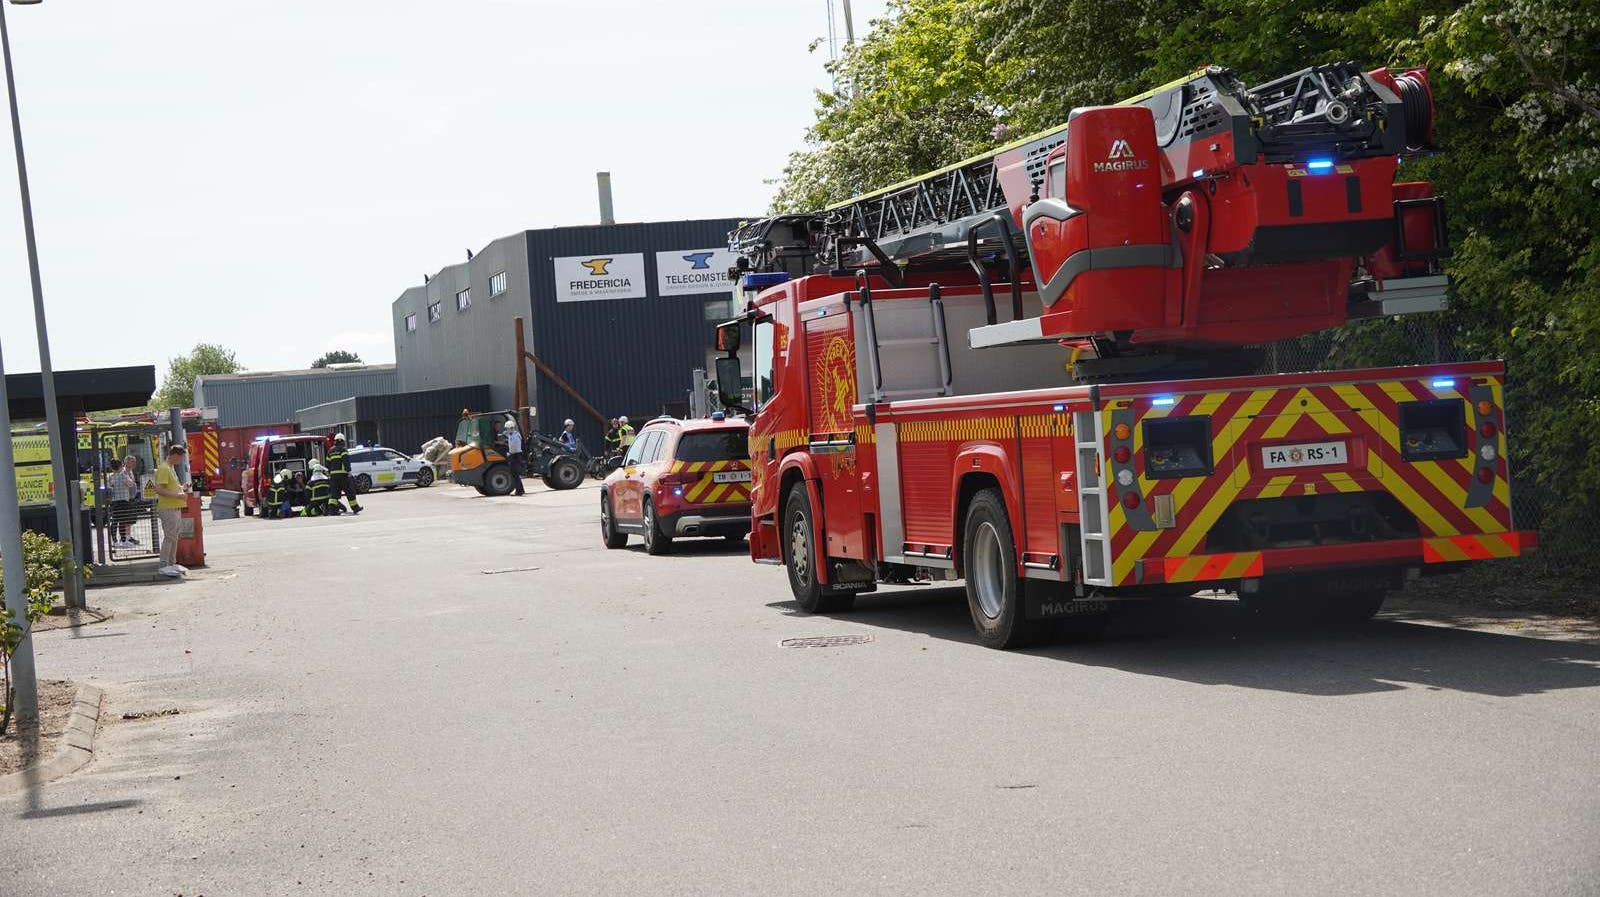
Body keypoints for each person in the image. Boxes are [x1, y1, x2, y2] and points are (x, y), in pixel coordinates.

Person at [152, 444, 190, 578]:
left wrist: (182, 488)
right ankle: (164, 565)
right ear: (175, 455)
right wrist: (178, 495)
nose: (181, 461)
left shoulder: (170, 468)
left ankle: (171, 563)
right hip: (168, 508)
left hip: (174, 508)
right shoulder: (164, 468)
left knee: (174, 537)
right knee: (170, 537)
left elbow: (171, 487)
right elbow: (159, 489)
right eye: (180, 458)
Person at [325, 432, 362, 515]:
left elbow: (327, 464)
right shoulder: (343, 450)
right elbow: (346, 461)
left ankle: (332, 510)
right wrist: (349, 471)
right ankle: (355, 508)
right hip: (343, 475)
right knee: (349, 492)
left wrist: (330, 473)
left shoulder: (330, 451)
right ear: (342, 441)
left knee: (334, 494)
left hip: (333, 476)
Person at [106, 456, 138, 547]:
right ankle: (123, 540)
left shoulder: (109, 477)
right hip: (124, 501)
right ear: (121, 466)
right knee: (123, 521)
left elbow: (109, 489)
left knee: (115, 521)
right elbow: (131, 484)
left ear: (111, 468)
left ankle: (114, 541)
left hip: (114, 501)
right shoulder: (123, 475)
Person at [501, 419, 526, 496]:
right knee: (515, 474)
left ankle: (519, 491)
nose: (506, 430)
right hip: (515, 455)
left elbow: (514, 447)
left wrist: (509, 453)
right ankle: (520, 490)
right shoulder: (512, 434)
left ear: (510, 428)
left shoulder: (515, 436)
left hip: (515, 455)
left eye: (507, 428)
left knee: (515, 474)